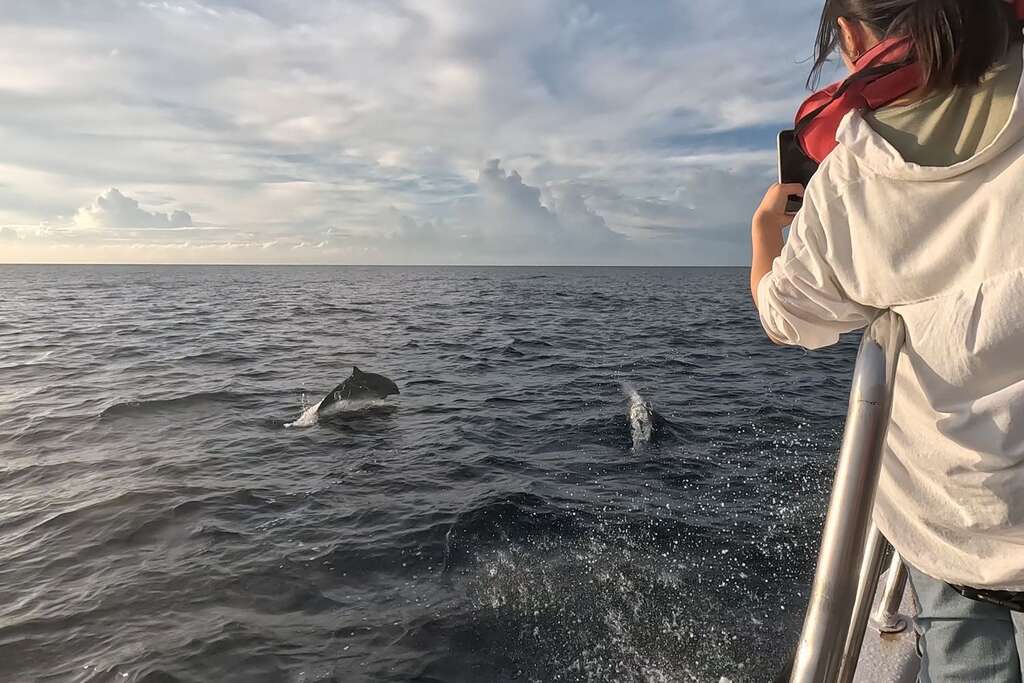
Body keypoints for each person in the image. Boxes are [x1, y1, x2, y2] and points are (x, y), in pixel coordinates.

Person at [750, 1, 1024, 680]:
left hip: (951, 529)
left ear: (848, 34)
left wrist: (764, 234)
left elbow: (786, 316)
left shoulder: (848, 181)